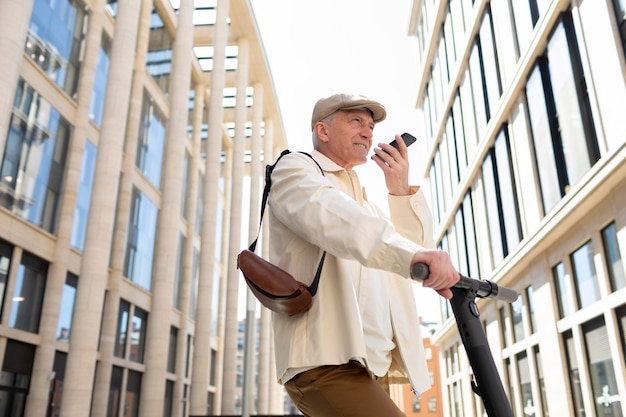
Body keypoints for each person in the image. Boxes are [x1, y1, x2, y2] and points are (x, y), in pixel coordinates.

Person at [266, 93, 460, 417]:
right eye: (356, 121)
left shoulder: (367, 207)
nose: (368, 132)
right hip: (327, 362)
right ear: (322, 131)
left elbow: (414, 249)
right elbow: (339, 221)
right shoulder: (296, 170)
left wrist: (399, 189)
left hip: (374, 368)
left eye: (370, 126)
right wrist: (416, 258)